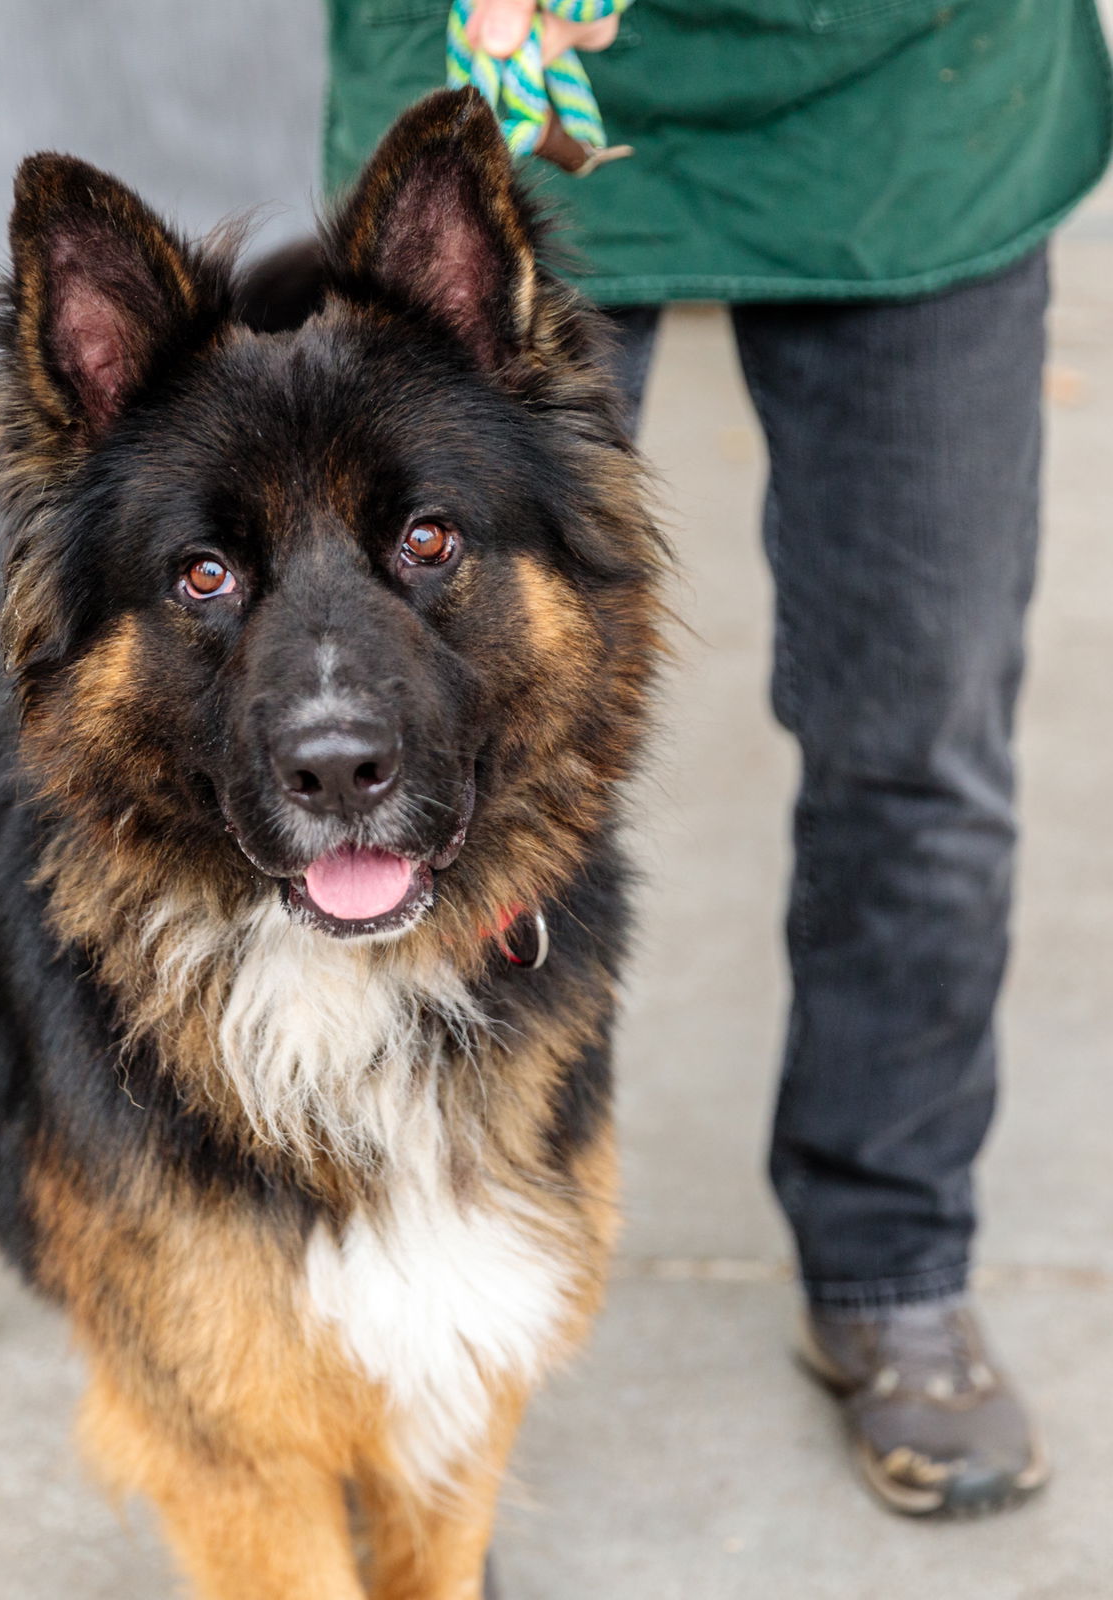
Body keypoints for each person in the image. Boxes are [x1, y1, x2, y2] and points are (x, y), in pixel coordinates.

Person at [325, 0, 1111, 1517]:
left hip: (904, 95)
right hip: (505, 55)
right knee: (402, 738)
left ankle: (891, 1255)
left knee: (920, 742)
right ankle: (381, 1299)